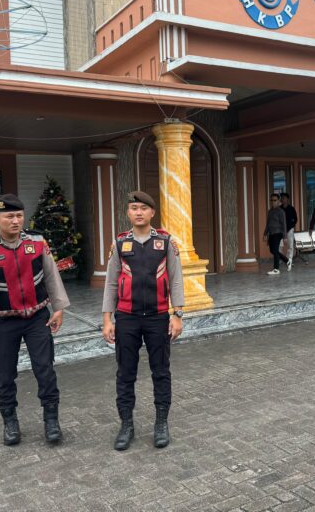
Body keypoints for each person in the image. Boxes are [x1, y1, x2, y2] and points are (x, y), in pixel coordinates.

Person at [0, 194, 69, 446]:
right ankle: (10, 422)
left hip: (37, 318)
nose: (15, 221)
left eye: (19, 216)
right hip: (4, 323)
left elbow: (51, 275)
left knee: (45, 369)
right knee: (4, 374)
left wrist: (58, 308)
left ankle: (51, 420)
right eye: (9, 216)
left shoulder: (37, 242)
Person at [101, 190, 184, 451]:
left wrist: (177, 314)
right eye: (134, 208)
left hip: (158, 318)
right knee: (125, 373)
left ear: (152, 213)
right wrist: (107, 319)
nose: (138, 212)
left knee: (161, 372)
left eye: (143, 208)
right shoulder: (120, 244)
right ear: (128, 213)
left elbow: (176, 279)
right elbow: (111, 283)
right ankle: (126, 425)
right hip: (127, 318)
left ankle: (161, 423)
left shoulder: (166, 242)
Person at [264, 193, 289, 275]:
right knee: (272, 250)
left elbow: (284, 224)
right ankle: (287, 261)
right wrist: (265, 234)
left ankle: (276, 269)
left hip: (278, 233)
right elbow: (268, 224)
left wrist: (285, 237)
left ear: (278, 201)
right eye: (271, 200)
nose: (273, 202)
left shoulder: (281, 211)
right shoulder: (270, 211)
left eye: (275, 200)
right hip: (271, 233)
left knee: (275, 250)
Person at [280, 193, 297, 270]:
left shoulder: (291, 208)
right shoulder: (279, 209)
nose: (282, 199)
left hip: (290, 229)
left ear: (287, 199)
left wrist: (291, 226)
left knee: (290, 246)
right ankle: (280, 260)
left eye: (284, 198)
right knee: (279, 246)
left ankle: (289, 260)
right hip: (281, 230)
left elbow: (295, 219)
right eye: (282, 198)